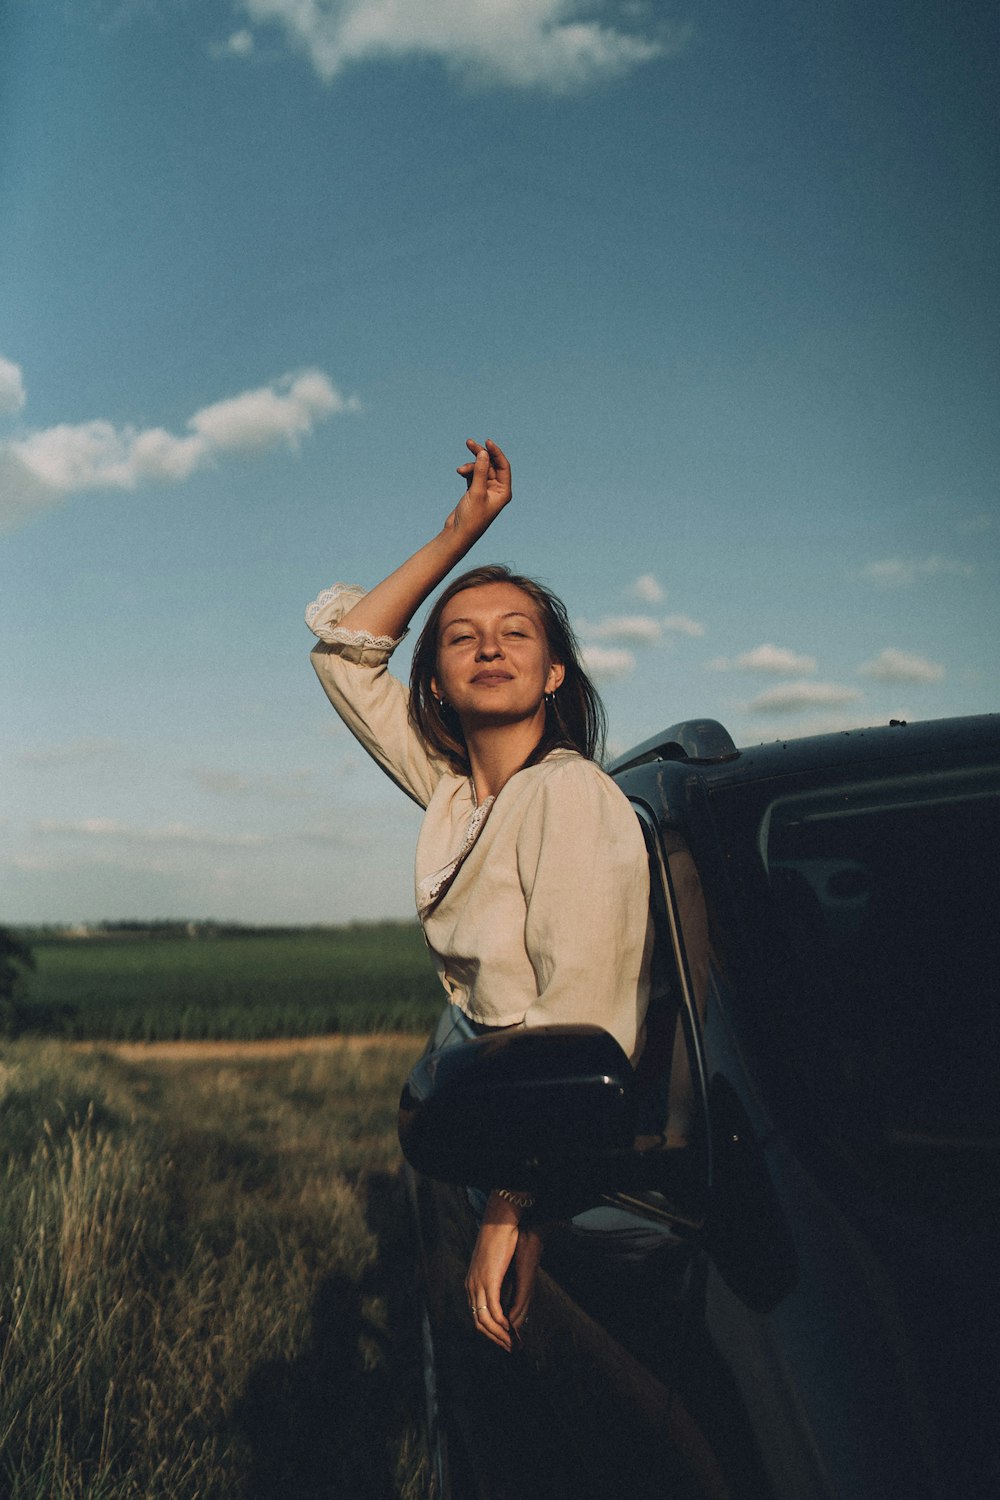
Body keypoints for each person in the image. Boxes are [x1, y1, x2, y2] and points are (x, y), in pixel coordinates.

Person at [305, 438, 651, 1352]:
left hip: (552, 1169)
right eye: (461, 637)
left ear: (554, 675)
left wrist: (516, 1208)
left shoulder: (567, 794)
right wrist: (462, 529)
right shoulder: (458, 797)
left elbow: (585, 1019)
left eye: (516, 633)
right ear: (435, 683)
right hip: (505, 1149)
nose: (489, 645)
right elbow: (345, 662)